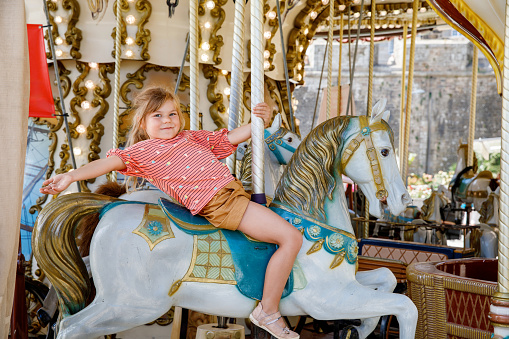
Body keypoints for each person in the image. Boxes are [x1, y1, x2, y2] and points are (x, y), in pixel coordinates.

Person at [40, 86, 302, 339]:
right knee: (291, 238)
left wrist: (259, 121)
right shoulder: (144, 151)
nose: (167, 120)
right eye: (158, 115)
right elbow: (107, 163)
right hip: (222, 204)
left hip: (233, 196)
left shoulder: (190, 138)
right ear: (143, 124)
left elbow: (229, 138)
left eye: (172, 114)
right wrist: (70, 176)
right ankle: (268, 311)